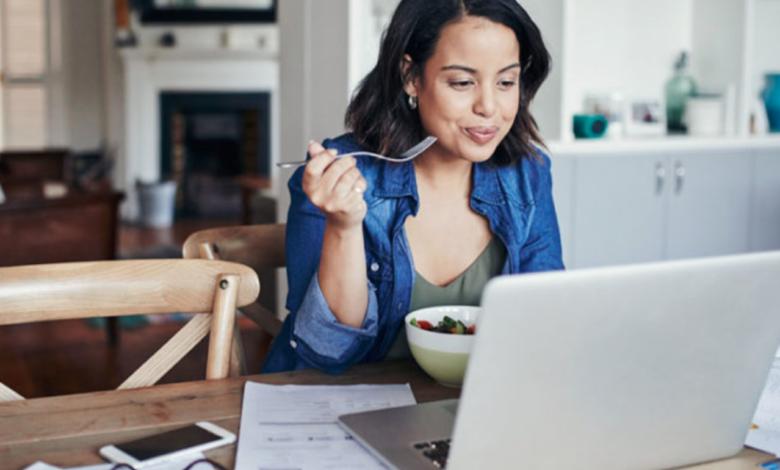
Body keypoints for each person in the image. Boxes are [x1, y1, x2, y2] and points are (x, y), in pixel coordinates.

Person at [263, 0, 563, 374]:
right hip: (339, 409)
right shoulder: (338, 176)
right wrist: (344, 226)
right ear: (411, 77)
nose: (490, 106)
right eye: (463, 82)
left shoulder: (527, 175)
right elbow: (328, 352)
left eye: (506, 82)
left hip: (467, 408)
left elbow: (546, 319)